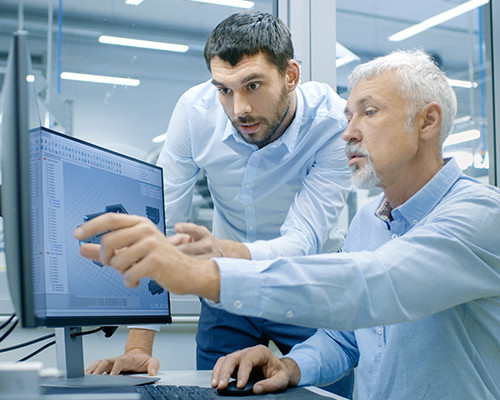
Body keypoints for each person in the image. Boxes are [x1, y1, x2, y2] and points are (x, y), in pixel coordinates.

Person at [75, 49, 500, 399]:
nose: (347, 132)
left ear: (428, 121)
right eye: (349, 115)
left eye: (368, 113)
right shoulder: (368, 226)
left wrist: (202, 272)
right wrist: (291, 365)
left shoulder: (480, 215)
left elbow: (372, 285)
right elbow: (346, 338)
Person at [85, 11, 353, 397]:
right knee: (214, 393)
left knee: (321, 393)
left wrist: (217, 252)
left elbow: (302, 241)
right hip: (228, 288)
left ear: (291, 76)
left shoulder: (331, 124)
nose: (238, 108)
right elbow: (159, 227)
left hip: (307, 285)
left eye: (253, 85)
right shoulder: (196, 113)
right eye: (224, 90)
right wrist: (139, 348)